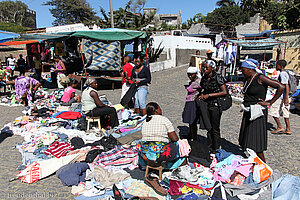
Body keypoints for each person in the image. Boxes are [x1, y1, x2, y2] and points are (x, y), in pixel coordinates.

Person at [239, 58, 285, 162]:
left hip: (257, 112)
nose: (242, 71)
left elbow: (280, 86)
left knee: (256, 141)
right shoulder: (247, 78)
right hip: (249, 111)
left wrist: (270, 102)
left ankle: (263, 165)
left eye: (243, 69)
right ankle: (253, 162)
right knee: (248, 139)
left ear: (250, 69)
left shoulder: (260, 78)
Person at [139, 102, 187, 195]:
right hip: (159, 155)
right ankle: (179, 166)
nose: (161, 110)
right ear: (157, 110)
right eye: (160, 108)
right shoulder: (164, 120)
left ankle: (153, 169)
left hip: (146, 154)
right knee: (181, 144)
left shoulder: (145, 121)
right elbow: (174, 138)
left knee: (153, 147)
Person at [199, 60, 227, 153]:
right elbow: (203, 88)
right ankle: (209, 146)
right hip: (207, 104)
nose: (205, 69)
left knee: (215, 128)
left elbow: (224, 92)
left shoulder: (218, 77)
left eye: (207, 67)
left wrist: (209, 95)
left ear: (212, 68)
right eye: (204, 67)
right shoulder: (204, 77)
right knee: (209, 127)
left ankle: (216, 148)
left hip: (215, 105)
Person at [269, 60, 292, 135]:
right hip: (286, 96)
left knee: (273, 110)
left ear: (280, 66)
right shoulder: (288, 72)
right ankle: (288, 129)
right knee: (286, 112)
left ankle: (279, 126)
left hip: (282, 96)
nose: (276, 67)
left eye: (277, 65)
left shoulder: (282, 74)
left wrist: (285, 98)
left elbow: (286, 85)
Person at [182, 67, 201, 141]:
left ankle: (194, 137)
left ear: (195, 74)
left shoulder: (198, 82)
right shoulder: (193, 81)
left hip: (193, 102)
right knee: (190, 121)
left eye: (191, 75)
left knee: (192, 121)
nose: (190, 76)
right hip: (189, 101)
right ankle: (190, 134)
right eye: (188, 75)